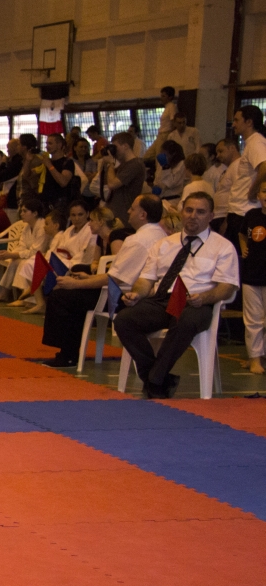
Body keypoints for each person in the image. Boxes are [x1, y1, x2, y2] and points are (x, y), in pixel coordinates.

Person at [114, 191, 239, 398]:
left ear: (211, 216)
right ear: (181, 213)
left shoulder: (223, 247)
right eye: (189, 210)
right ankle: (158, 378)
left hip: (197, 303)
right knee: (124, 319)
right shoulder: (164, 244)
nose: (193, 216)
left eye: (200, 212)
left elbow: (227, 287)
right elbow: (146, 280)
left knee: (185, 320)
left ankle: (155, 380)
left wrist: (204, 297)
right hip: (163, 299)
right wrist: (136, 294)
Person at [39, 194, 166, 367]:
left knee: (62, 296)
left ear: (143, 214)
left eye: (133, 208)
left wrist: (76, 283)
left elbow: (114, 278)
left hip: (124, 298)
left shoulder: (137, 240)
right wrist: (89, 278)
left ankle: (67, 355)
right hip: (144, 295)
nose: (128, 211)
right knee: (73, 294)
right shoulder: (161, 235)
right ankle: (68, 353)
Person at [0, 197, 49, 302]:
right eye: (21, 211)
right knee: (14, 261)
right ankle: (4, 293)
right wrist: (9, 254)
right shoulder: (27, 226)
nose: (21, 214)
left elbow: (36, 252)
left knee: (23, 263)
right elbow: (22, 245)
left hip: (43, 257)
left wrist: (12, 255)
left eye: (25, 211)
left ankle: (24, 298)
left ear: (35, 213)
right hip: (31, 255)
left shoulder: (42, 227)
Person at [226, 105, 266, 246]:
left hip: (244, 210)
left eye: (237, 120)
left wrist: (253, 190)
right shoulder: (252, 142)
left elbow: (264, 166)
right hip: (240, 209)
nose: (233, 124)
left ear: (249, 122)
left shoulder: (256, 142)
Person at [241, 186, 266, 374]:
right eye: (265, 191)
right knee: (252, 320)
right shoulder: (251, 215)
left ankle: (262, 356)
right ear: (258, 195)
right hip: (251, 274)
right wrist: (243, 246)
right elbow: (242, 233)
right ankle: (254, 358)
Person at [98, 132, 146, 224]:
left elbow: (112, 184)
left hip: (124, 216)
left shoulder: (135, 164)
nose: (114, 150)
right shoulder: (122, 165)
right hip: (115, 213)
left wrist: (111, 164)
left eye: (115, 147)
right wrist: (105, 162)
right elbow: (105, 182)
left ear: (125, 146)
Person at [153, 140, 188, 208]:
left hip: (173, 200)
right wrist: (156, 186)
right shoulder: (161, 164)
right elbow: (157, 178)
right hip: (161, 198)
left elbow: (170, 183)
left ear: (173, 154)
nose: (162, 155)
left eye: (164, 154)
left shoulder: (181, 165)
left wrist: (166, 167)